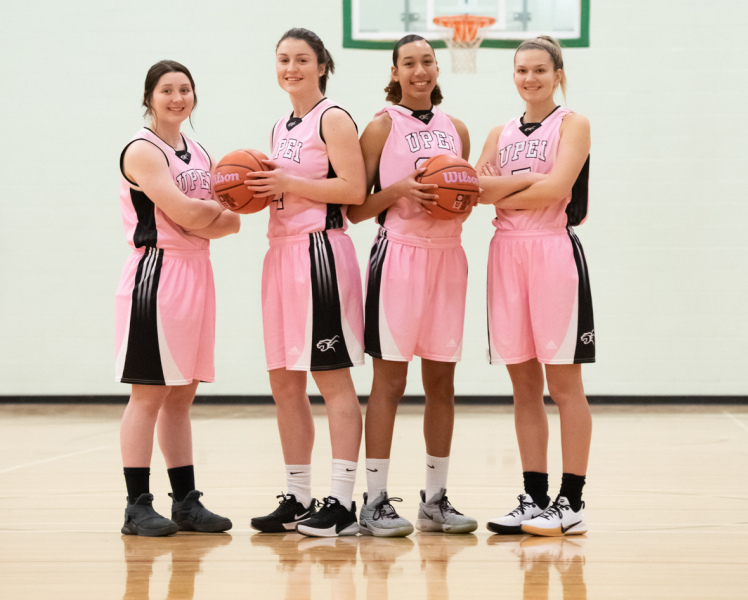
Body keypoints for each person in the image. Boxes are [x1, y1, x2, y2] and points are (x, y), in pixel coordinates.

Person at [347, 35, 478, 537]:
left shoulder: (457, 130)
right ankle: (375, 500)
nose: (420, 70)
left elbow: (463, 196)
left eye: (427, 61)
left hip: (448, 257)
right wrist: (400, 190)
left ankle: (435, 498)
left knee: (442, 382)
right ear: (395, 71)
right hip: (397, 255)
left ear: (437, 68)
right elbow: (355, 210)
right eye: (409, 63)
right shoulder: (381, 127)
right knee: (391, 381)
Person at [246, 28, 366, 538]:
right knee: (283, 382)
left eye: (301, 59)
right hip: (281, 255)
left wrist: (288, 183)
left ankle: (340, 501)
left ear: (322, 65)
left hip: (320, 252)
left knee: (331, 378)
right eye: (283, 59)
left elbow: (354, 189)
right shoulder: (281, 125)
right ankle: (297, 497)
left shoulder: (333, 118)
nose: (291, 68)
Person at [475, 36, 593, 537]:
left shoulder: (574, 124)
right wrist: (522, 186)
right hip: (506, 253)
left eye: (540, 70)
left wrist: (506, 187)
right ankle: (535, 495)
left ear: (557, 73)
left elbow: (557, 188)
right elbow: (475, 190)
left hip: (551, 250)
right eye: (522, 70)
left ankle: (572, 500)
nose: (530, 78)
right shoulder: (498, 131)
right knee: (523, 385)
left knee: (564, 384)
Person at [116, 60, 240, 536]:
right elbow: (186, 212)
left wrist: (206, 218)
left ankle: (185, 502)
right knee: (148, 394)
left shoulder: (199, 151)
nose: (176, 98)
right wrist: (207, 216)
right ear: (149, 97)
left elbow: (229, 222)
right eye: (166, 90)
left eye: (184, 89)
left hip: (197, 270)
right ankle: (136, 506)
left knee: (181, 396)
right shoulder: (141, 150)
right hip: (157, 272)